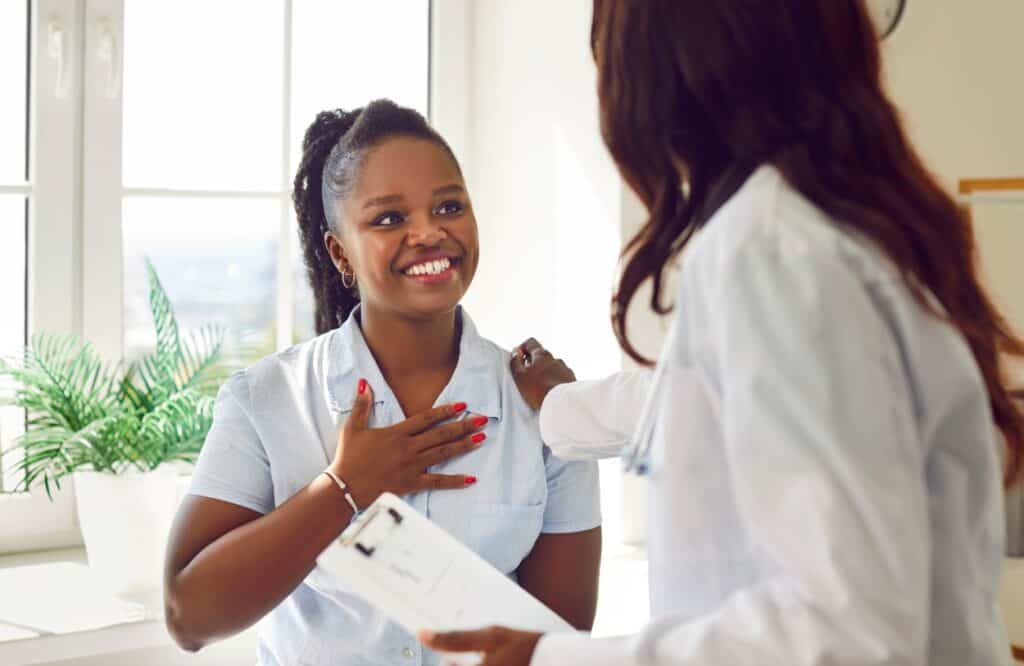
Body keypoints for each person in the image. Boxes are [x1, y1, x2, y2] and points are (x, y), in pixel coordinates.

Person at [420, 1, 1024, 664]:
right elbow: (704, 402)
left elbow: (849, 628)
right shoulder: (852, 230)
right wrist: (562, 407)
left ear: (665, 72)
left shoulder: (769, 250)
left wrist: (554, 658)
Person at [163, 100, 602, 665]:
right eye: (389, 219)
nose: (428, 233)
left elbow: (559, 648)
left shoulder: (545, 410)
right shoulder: (267, 399)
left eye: (449, 206)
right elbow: (188, 618)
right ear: (340, 251)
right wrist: (345, 488)